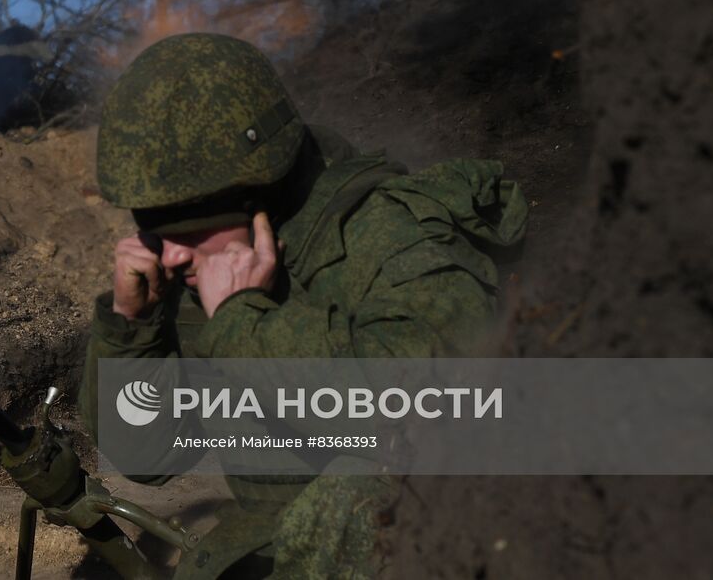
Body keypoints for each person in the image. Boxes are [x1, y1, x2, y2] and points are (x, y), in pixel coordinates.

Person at [80, 32, 527, 579]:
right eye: (150, 222)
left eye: (190, 223)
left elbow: (433, 417)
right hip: (289, 544)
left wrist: (243, 323)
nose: (169, 252)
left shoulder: (391, 234)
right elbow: (147, 459)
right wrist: (133, 328)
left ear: (262, 189)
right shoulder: (192, 268)